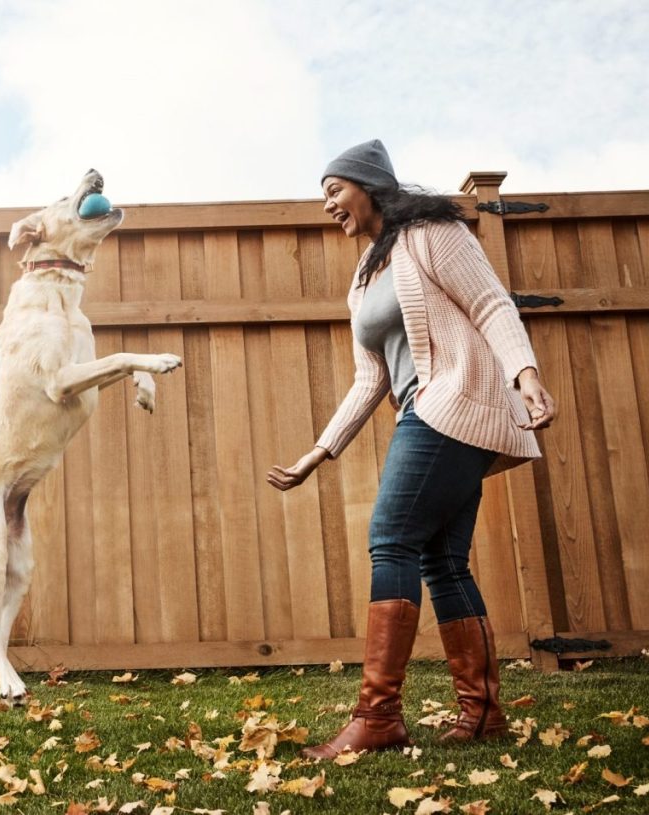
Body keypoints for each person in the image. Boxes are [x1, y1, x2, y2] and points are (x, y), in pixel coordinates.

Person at [267, 139, 556, 758]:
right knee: (443, 562)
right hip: (426, 409)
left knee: (391, 538)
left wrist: (525, 376)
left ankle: (377, 718)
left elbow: (489, 304)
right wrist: (320, 452)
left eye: (334, 190)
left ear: (369, 185)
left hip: (451, 403)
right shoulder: (364, 276)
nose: (328, 206)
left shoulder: (431, 232)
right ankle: (482, 716)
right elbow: (370, 378)